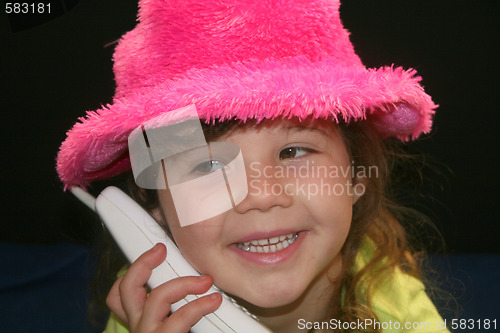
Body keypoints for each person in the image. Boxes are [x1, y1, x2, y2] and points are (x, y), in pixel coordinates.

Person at [56, 0, 450, 332]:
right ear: (156, 206)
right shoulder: (148, 304)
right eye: (208, 166)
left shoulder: (394, 308)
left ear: (355, 174)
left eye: (294, 152)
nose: (261, 196)